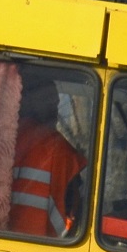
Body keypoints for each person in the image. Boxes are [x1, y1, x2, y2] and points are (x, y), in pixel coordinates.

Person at [8, 68, 87, 237]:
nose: (56, 112)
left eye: (56, 104)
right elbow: (77, 213)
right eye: (50, 103)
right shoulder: (59, 150)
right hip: (42, 245)